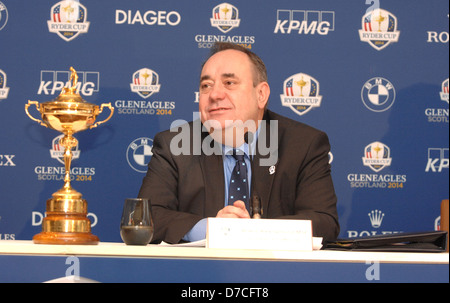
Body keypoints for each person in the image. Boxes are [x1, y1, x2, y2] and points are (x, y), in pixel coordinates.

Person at [138, 42, 339, 244]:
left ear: (261, 95)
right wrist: (212, 229)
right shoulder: (174, 145)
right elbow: (146, 218)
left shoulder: (303, 145)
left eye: (229, 83)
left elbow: (323, 222)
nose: (215, 94)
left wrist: (251, 233)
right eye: (206, 86)